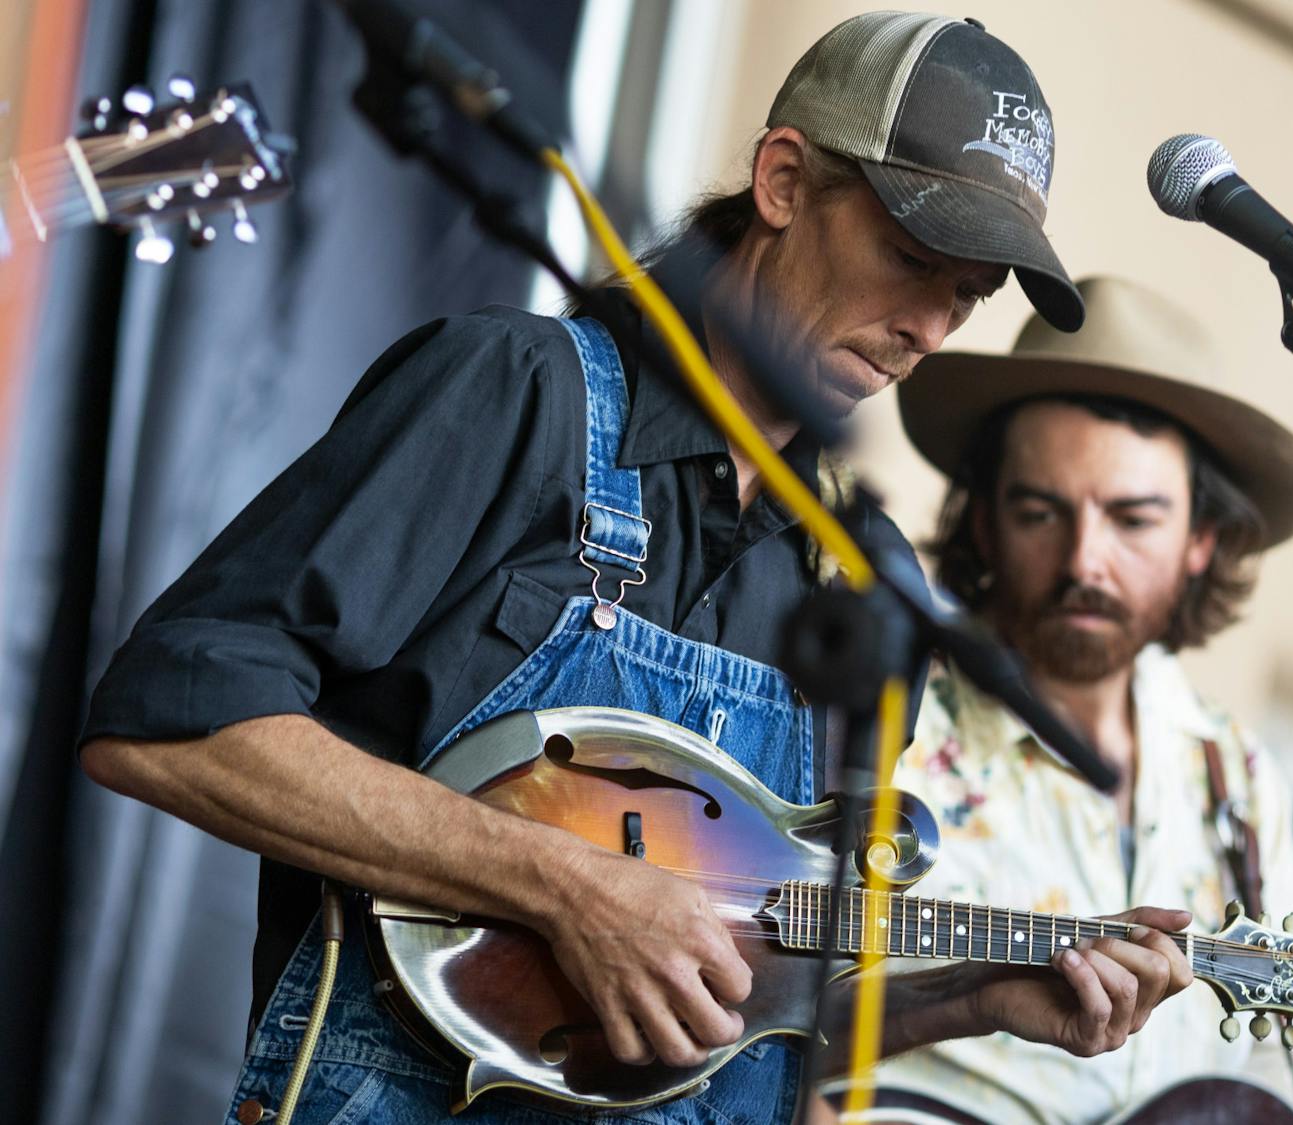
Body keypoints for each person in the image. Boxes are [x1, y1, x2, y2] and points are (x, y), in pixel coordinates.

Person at [77, 15, 1193, 1125]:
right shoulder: (516, 394)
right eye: (911, 260)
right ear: (785, 181)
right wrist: (565, 884)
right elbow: (167, 721)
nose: (930, 329)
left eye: (969, 293)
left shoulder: (867, 580)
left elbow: (754, 989)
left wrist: (968, 998)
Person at [831, 275, 1293, 1123]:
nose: (1084, 562)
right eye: (1041, 512)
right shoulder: (882, 721)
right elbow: (761, 1027)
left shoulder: (1236, 775)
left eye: (1132, 519)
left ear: (1202, 538)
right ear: (984, 521)